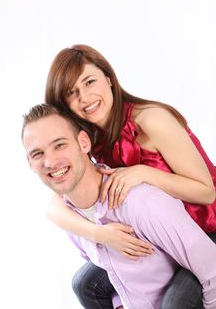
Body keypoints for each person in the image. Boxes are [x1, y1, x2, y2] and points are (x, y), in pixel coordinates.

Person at [44, 44, 216, 308]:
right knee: (86, 284)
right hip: (156, 237)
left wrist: (143, 173)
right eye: (72, 92)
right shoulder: (89, 139)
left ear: (109, 80)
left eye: (90, 82)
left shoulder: (151, 120)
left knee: (175, 303)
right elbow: (53, 205)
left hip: (206, 232)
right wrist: (97, 234)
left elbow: (207, 192)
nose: (85, 97)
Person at [21, 103, 216, 309]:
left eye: (60, 145)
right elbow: (114, 272)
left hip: (207, 230)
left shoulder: (141, 204)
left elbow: (212, 269)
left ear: (84, 142)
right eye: (38, 154)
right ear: (30, 163)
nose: (50, 162)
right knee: (83, 284)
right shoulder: (73, 221)